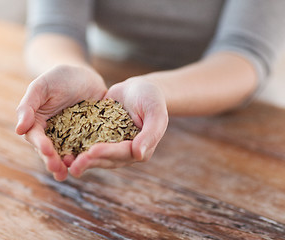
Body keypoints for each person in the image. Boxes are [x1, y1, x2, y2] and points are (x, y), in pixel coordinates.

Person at [15, 0, 285, 181]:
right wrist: (68, 69)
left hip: (228, 102)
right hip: (105, 80)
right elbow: (54, 28)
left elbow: (245, 52)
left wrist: (157, 90)